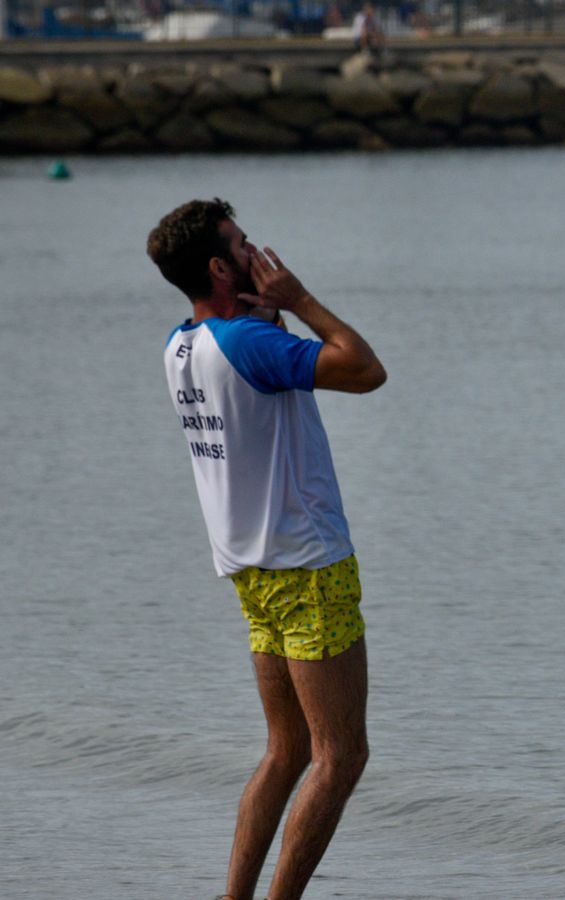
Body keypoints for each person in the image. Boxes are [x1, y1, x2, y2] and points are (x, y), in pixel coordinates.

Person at [148, 198, 387, 900]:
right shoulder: (253, 346)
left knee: (287, 753)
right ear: (221, 267)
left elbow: (252, 382)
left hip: (250, 571)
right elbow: (365, 369)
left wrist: (263, 314)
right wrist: (299, 298)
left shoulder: (181, 345)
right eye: (244, 245)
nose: (260, 254)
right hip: (306, 564)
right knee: (340, 755)